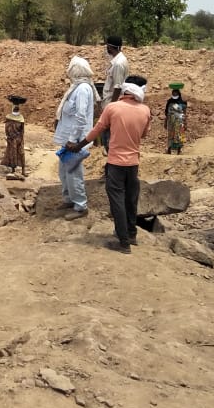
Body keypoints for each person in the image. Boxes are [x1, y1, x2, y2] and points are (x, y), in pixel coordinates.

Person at [67, 75, 151, 253]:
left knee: (117, 201)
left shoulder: (112, 108)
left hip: (115, 162)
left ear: (125, 89)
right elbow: (144, 135)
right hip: (133, 163)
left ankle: (123, 242)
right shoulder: (145, 111)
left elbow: (98, 129)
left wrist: (78, 146)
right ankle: (132, 234)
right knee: (131, 199)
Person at [52, 55, 98, 220]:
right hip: (69, 139)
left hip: (76, 140)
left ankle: (80, 206)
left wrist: (73, 139)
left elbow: (80, 117)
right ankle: (68, 199)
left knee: (73, 172)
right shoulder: (76, 88)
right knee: (64, 170)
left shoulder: (83, 89)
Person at [98, 36, 129, 152]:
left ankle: (112, 162)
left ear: (110, 47)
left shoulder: (118, 64)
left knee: (109, 136)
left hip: (113, 104)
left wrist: (111, 107)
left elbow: (118, 87)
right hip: (111, 103)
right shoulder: (117, 61)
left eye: (107, 46)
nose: (106, 48)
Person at [1, 98, 26, 176]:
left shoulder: (21, 118)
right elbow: (6, 129)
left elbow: (22, 130)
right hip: (12, 139)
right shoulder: (9, 118)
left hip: (19, 139)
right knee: (13, 153)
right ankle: (13, 169)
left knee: (22, 153)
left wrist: (21, 138)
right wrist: (9, 137)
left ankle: (23, 170)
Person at [164, 85, 188, 154]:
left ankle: (179, 150)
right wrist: (165, 122)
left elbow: (184, 113)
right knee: (170, 135)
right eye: (173, 93)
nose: (174, 95)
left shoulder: (183, 103)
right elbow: (166, 113)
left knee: (179, 135)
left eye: (175, 93)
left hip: (179, 122)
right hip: (171, 122)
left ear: (178, 94)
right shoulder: (169, 101)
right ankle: (169, 149)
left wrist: (185, 122)